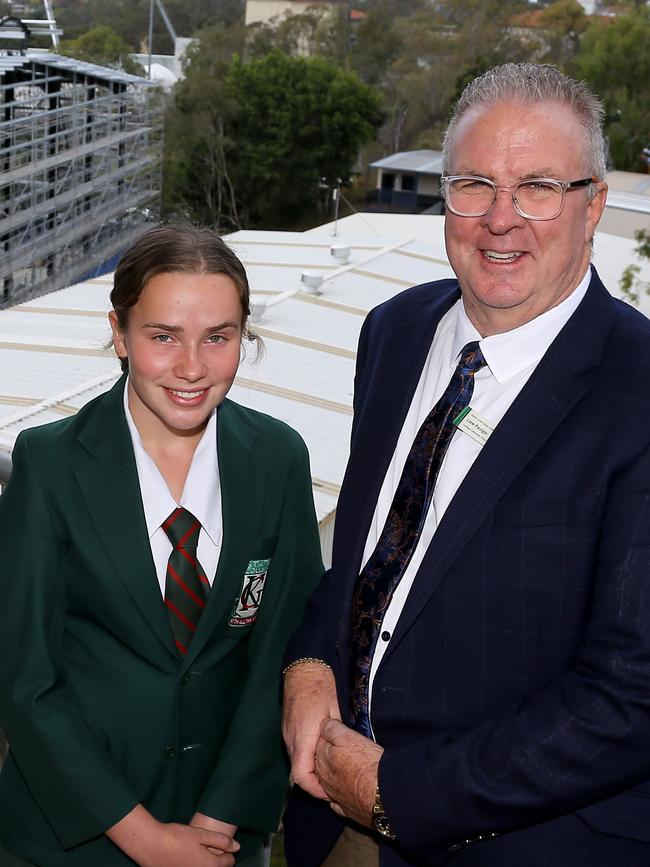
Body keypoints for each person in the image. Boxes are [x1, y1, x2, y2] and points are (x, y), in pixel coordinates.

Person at [281, 63, 650, 867]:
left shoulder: (640, 392)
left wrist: (402, 791)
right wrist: (309, 663)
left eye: (539, 186)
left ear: (592, 207)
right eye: (475, 183)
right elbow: (368, 555)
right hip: (331, 821)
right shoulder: (395, 331)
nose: (500, 219)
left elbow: (630, 696)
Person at [0, 224, 323, 866]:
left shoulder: (278, 460)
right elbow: (25, 680)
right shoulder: (50, 464)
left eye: (218, 337)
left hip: (222, 837)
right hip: (74, 837)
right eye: (163, 337)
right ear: (119, 333)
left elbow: (280, 657)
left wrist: (217, 818)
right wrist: (146, 840)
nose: (192, 368)